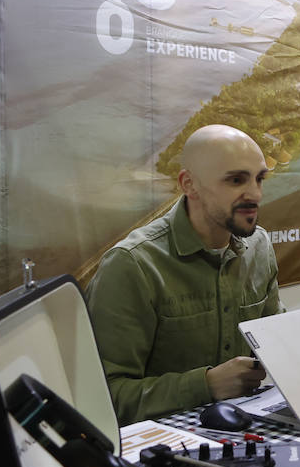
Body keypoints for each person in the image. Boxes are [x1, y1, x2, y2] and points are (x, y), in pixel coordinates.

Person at [87, 124, 279, 424]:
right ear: (189, 184)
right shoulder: (133, 265)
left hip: (248, 432)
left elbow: (276, 341)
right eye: (236, 180)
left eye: (259, 179)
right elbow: (104, 399)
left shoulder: (260, 246)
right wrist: (206, 385)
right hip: (164, 450)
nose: (255, 194)